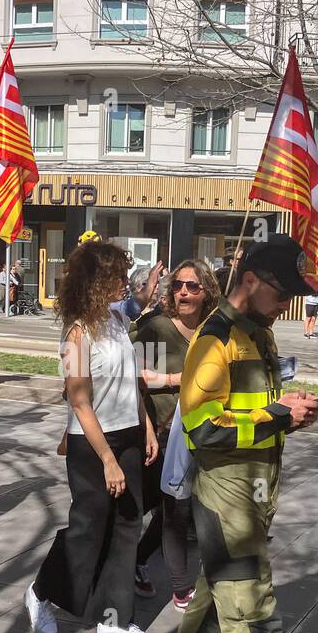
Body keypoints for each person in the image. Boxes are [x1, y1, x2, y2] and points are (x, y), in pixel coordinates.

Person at [151, 236, 318, 633]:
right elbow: (202, 428)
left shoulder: (255, 332)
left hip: (252, 495)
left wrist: (286, 414)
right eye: (283, 293)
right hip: (227, 500)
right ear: (255, 279)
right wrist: (276, 415)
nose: (288, 306)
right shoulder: (216, 337)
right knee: (255, 615)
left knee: (215, 602)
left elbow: (246, 412)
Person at [24, 239, 160, 633]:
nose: (124, 282)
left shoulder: (116, 318)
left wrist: (147, 425)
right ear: (95, 281)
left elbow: (130, 380)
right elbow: (80, 401)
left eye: (125, 275)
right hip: (92, 444)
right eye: (117, 276)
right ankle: (42, 591)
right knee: (88, 529)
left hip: (129, 433)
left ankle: (115, 621)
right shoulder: (77, 334)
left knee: (127, 524)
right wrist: (108, 460)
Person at [131, 259, 220, 609]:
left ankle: (137, 557)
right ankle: (181, 587)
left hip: (202, 430)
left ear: (206, 291)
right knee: (172, 506)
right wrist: (171, 381)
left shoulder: (214, 328)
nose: (184, 291)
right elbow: (132, 375)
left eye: (193, 286)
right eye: (179, 285)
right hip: (163, 431)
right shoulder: (157, 329)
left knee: (175, 507)